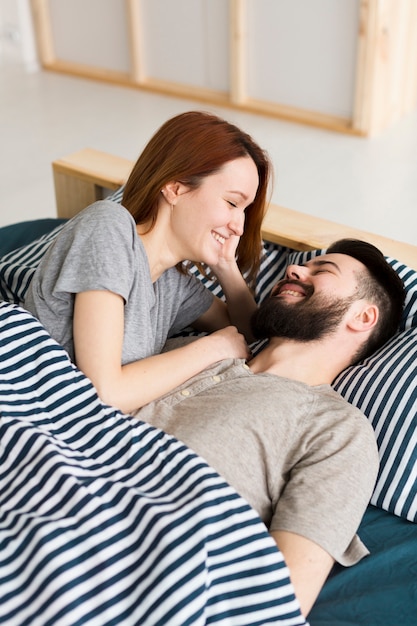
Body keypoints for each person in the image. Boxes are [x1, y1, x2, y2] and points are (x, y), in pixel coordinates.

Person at [136, 238, 406, 618]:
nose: (294, 270)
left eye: (322, 271)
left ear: (362, 317)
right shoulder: (184, 349)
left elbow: (279, 599)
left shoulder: (337, 430)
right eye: (301, 266)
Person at [24, 111, 272, 412]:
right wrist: (212, 348)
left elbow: (251, 335)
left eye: (245, 211)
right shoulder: (109, 228)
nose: (240, 226)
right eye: (232, 203)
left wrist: (225, 265)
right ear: (175, 187)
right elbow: (104, 392)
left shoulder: (174, 282)